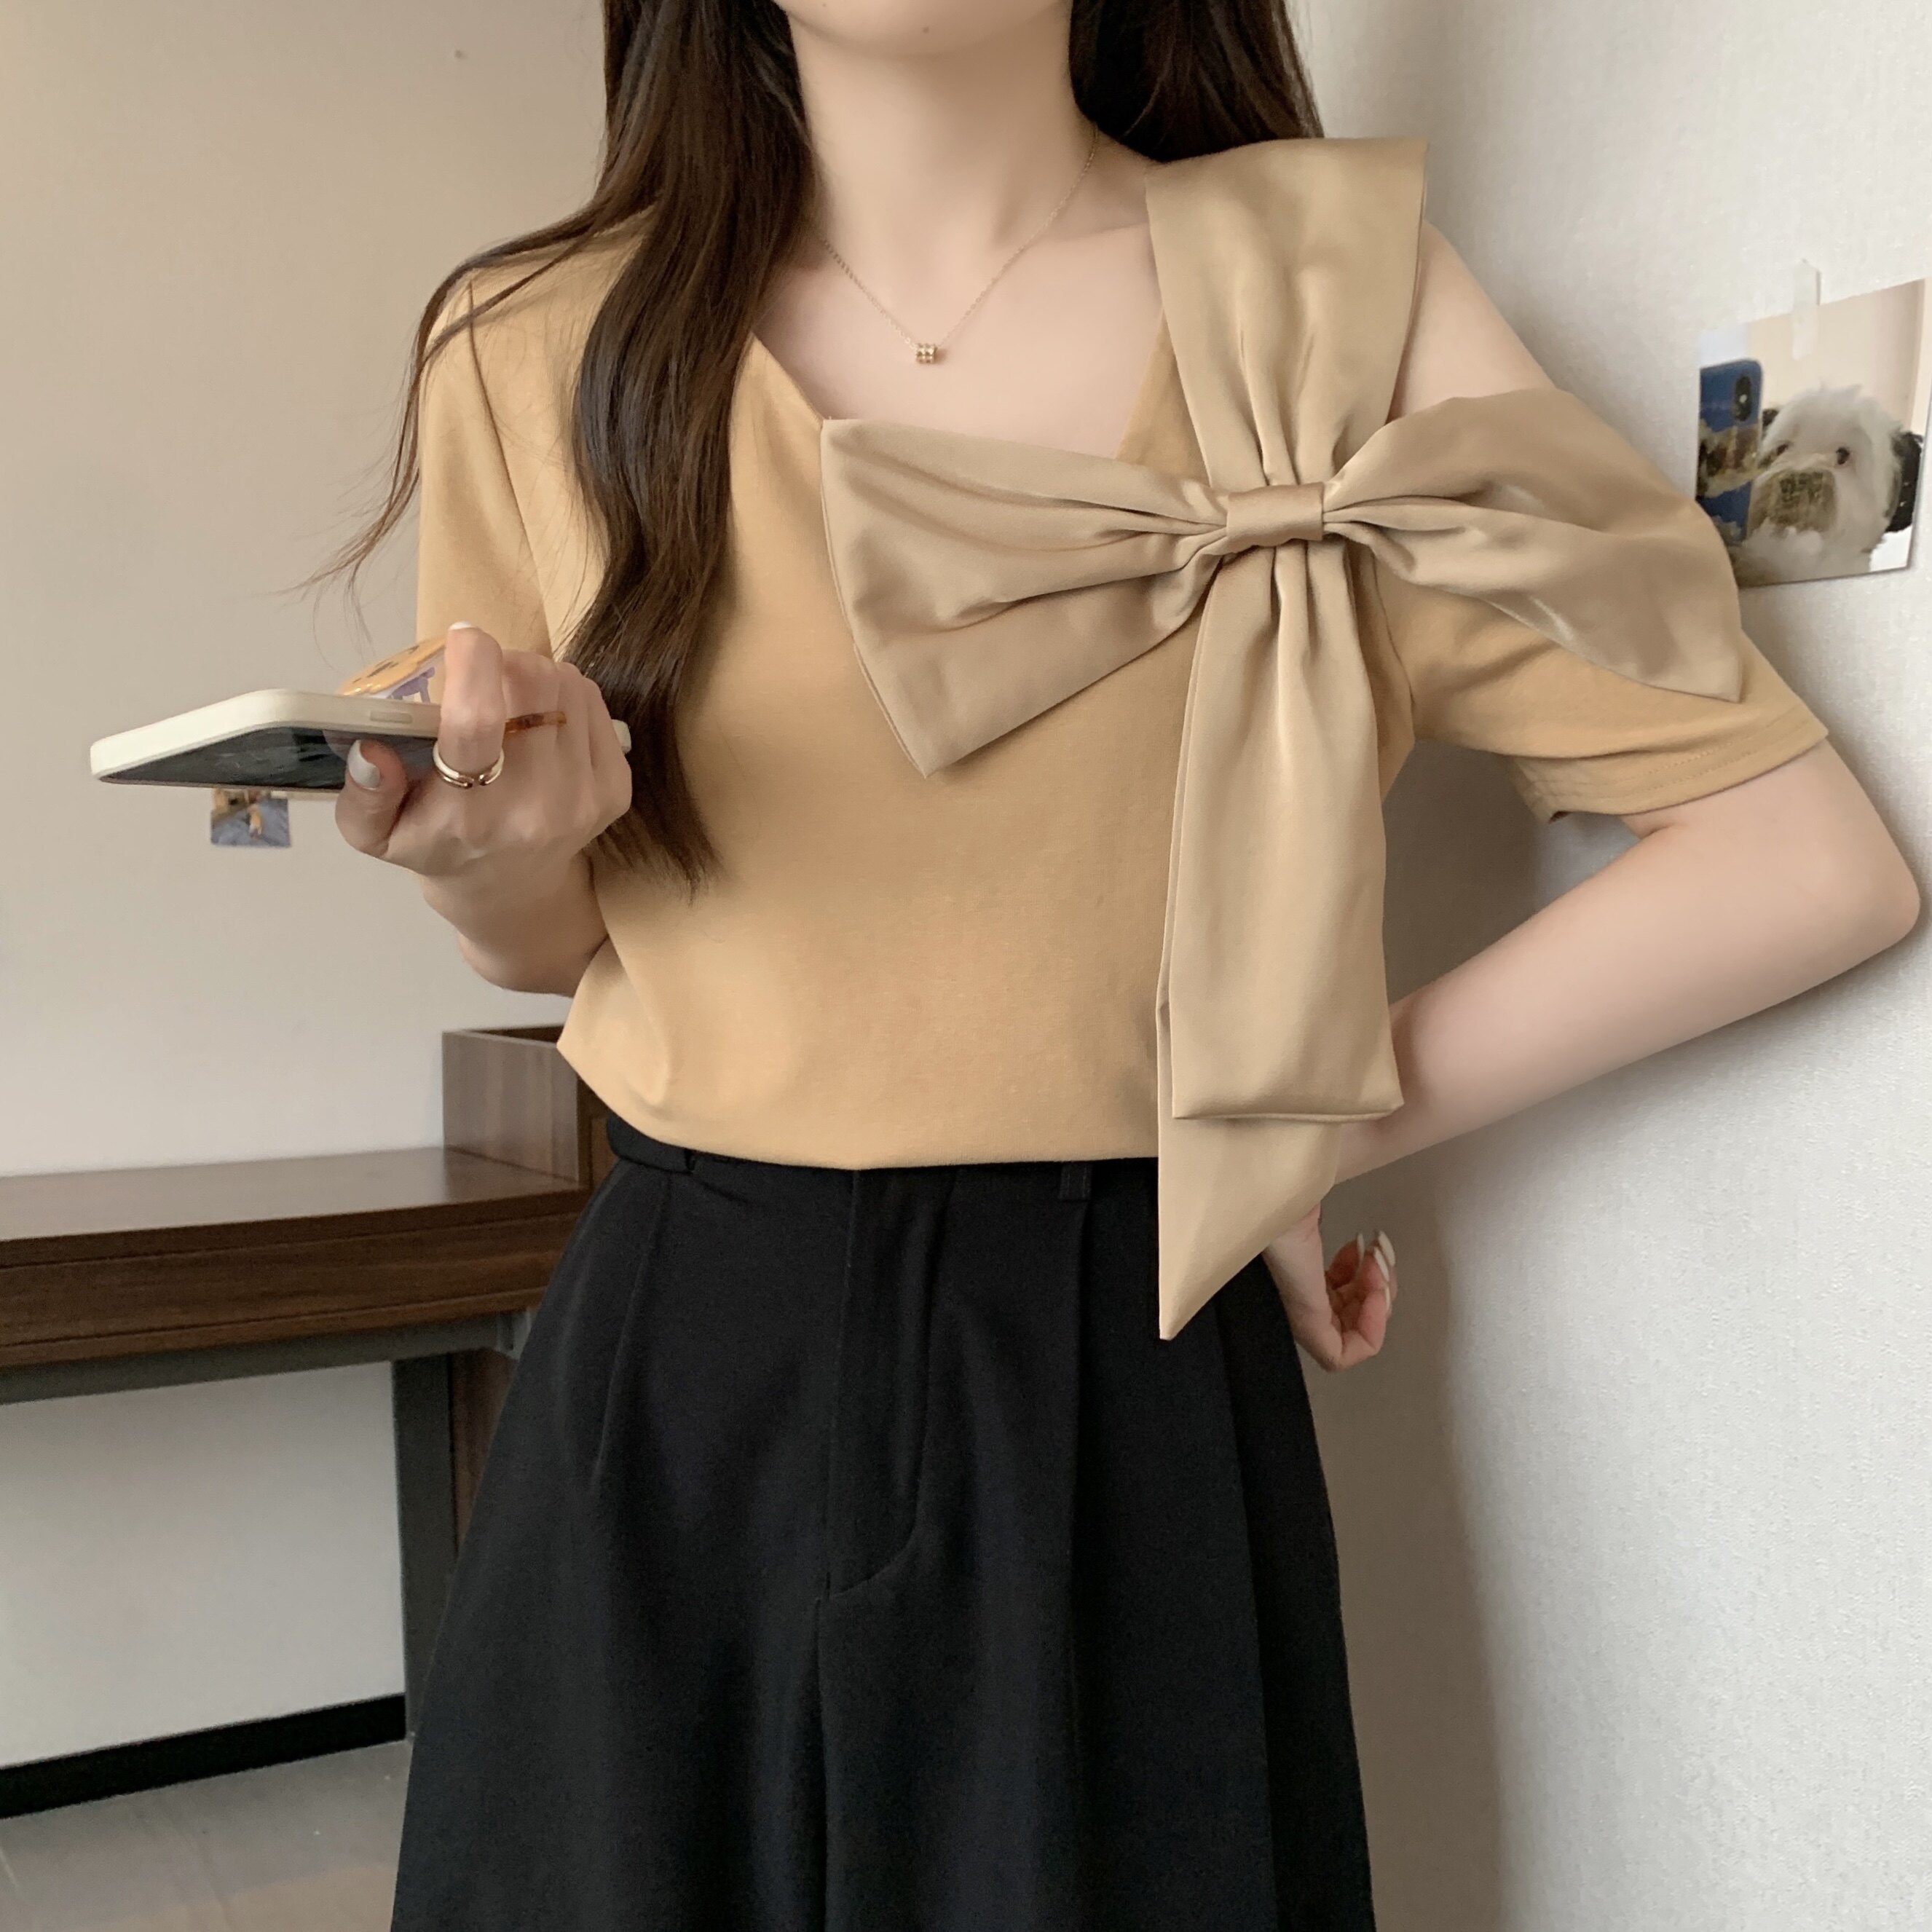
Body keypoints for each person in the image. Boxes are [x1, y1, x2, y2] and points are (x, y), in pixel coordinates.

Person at [316, 3, 1920, 1925]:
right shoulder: (533, 343)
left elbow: (1798, 854)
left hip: (1124, 1373)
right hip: (675, 1376)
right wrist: (492, 864)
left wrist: (1303, 1124)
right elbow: (554, 938)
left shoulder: (1335, 299)